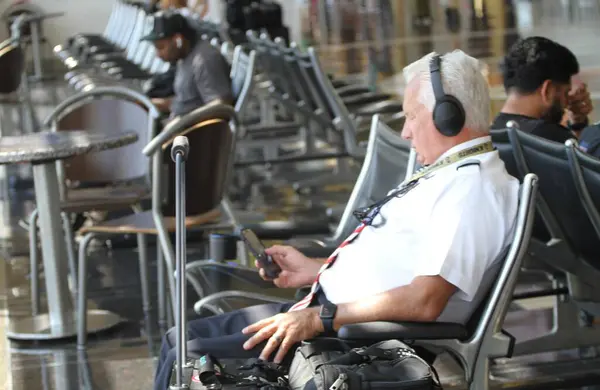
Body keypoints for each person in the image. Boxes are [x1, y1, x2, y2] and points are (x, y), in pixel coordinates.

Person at [153, 49, 520, 389]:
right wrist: (316, 270)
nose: (406, 131)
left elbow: (425, 300)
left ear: (448, 116)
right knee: (176, 338)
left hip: (351, 336)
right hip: (327, 312)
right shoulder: (452, 171)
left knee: (185, 355)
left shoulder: (474, 192)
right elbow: (400, 262)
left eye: (411, 117)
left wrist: (318, 318)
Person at [490, 36, 593, 142]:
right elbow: (576, 154)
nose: (567, 104)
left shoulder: (489, 134)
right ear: (547, 90)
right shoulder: (551, 137)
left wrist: (576, 123)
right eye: (566, 93)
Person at [141, 11, 232, 117]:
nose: (158, 55)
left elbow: (221, 106)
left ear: (178, 40)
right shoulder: (185, 56)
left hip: (190, 131)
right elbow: (189, 102)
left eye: (161, 47)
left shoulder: (204, 60)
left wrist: (179, 123)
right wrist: (159, 104)